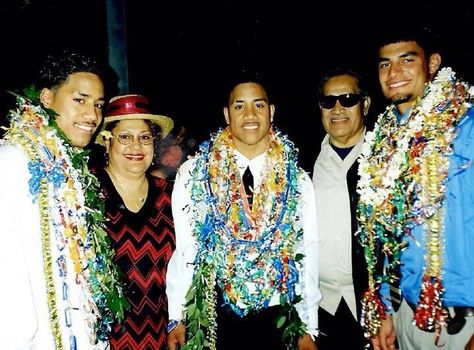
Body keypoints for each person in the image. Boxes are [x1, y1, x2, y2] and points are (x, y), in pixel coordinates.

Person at [166, 70, 321, 350]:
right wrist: (176, 317)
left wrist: (309, 326)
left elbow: (307, 251)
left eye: (258, 105)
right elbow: (185, 248)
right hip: (216, 314)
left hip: (279, 315)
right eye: (240, 106)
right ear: (227, 114)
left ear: (271, 111)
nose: (250, 114)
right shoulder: (194, 174)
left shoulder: (296, 180)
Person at [0, 48, 128, 349]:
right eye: (79, 100)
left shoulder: (68, 168)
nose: (92, 115)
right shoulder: (12, 161)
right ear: (46, 99)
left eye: (98, 105)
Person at [357, 26, 474, 350]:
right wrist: (386, 309)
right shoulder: (384, 142)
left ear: (432, 63)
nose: (394, 72)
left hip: (462, 326)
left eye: (406, 60)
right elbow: (388, 235)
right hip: (407, 318)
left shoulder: (465, 127)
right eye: (384, 64)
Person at [93, 94, 176, 349]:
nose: (136, 146)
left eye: (144, 137)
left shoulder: (172, 194)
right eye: (125, 137)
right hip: (103, 339)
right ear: (107, 143)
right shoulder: (85, 191)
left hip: (164, 336)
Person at [312, 66, 371, 349]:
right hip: (321, 307)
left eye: (348, 99)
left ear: (365, 104)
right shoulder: (303, 163)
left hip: (374, 308)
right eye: (329, 101)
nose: (338, 108)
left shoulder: (386, 156)